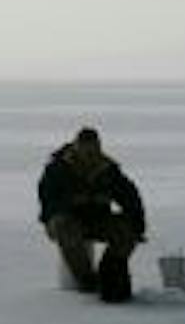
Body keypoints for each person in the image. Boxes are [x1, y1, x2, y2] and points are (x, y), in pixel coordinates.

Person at [36, 126, 146, 302]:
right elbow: (47, 200)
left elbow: (130, 197)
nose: (89, 153)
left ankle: (110, 273)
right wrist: (71, 202)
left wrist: (137, 226)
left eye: (93, 148)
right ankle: (86, 280)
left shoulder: (108, 169)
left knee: (127, 231)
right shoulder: (58, 168)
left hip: (98, 219)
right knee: (66, 229)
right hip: (66, 221)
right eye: (85, 149)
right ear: (76, 146)